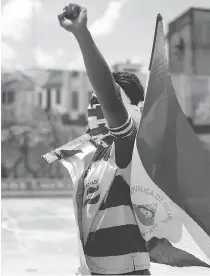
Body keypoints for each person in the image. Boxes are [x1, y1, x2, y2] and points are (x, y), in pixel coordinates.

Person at [57, 3, 151, 275]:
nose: (96, 104)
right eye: (93, 99)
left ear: (132, 108)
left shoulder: (131, 149)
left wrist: (81, 34)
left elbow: (110, 97)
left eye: (105, 100)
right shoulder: (95, 157)